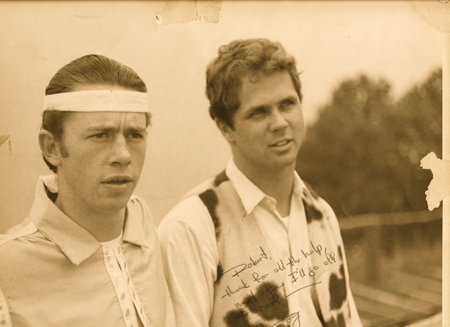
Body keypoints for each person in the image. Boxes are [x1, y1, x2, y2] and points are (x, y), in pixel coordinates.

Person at [158, 38, 362, 327]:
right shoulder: (190, 228)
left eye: (287, 104)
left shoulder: (322, 215)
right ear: (226, 127)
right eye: (259, 112)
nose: (279, 122)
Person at [0, 54, 174, 327]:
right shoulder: (7, 267)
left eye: (134, 135)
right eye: (100, 135)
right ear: (52, 148)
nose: (123, 155)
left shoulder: (142, 221)